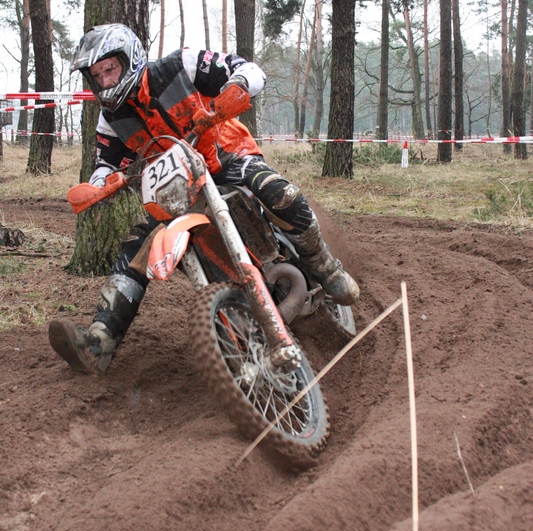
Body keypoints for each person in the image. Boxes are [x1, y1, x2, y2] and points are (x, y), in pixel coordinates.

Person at [49, 23, 359, 375]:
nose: (106, 80)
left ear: (129, 59)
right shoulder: (111, 119)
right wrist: (98, 186)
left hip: (226, 157)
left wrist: (235, 88)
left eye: (110, 69)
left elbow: (249, 70)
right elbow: (105, 163)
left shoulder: (180, 67)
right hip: (176, 189)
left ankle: (326, 267)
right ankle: (99, 343)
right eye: (98, 75)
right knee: (135, 249)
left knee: (277, 191)